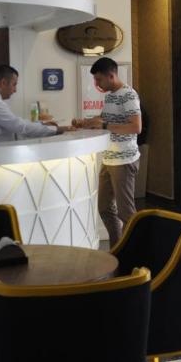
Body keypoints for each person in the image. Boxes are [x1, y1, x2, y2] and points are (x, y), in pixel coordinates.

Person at [72, 57, 141, 247]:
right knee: (104, 208)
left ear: (111, 76)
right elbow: (105, 119)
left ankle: (137, 253)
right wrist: (86, 122)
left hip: (124, 161)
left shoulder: (128, 95)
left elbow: (136, 127)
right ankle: (117, 248)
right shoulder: (111, 95)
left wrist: (104, 124)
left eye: (99, 80)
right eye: (95, 80)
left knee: (126, 213)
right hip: (109, 159)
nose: (97, 84)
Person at [0, 65, 68, 143]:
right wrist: (57, 129)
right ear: (3, 83)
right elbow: (21, 127)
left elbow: (17, 123)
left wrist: (42, 124)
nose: (15, 90)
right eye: (14, 85)